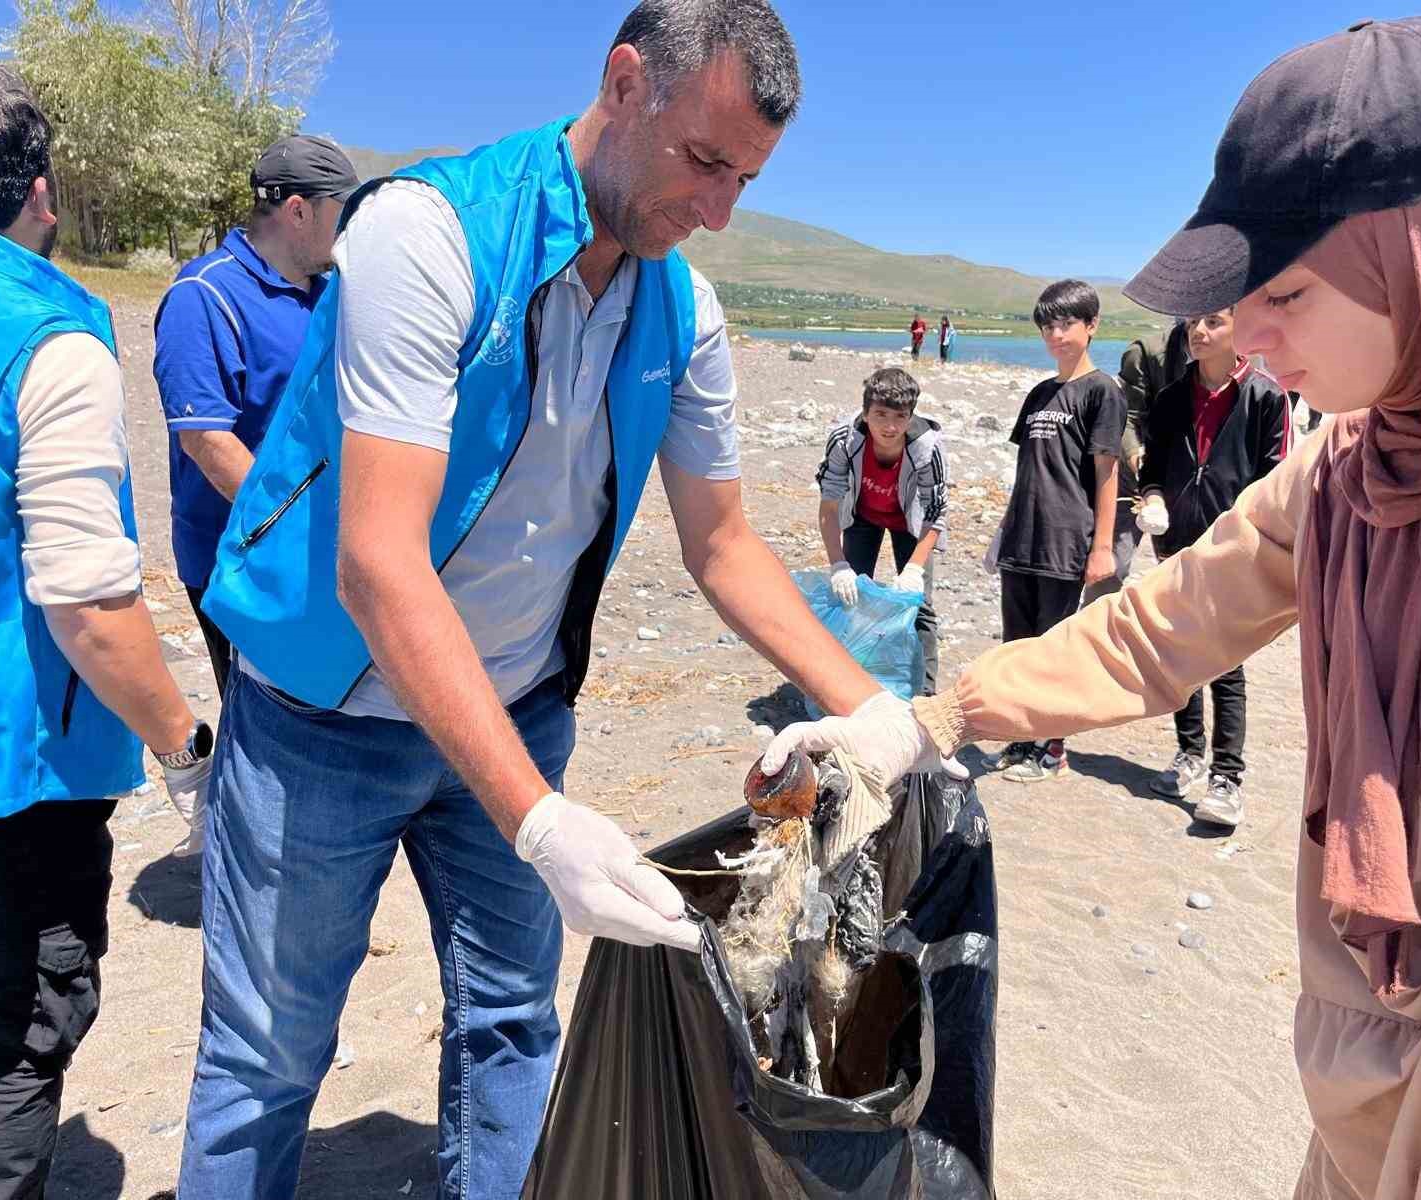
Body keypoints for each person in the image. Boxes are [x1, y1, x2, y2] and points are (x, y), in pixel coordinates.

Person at [766, 18, 1421, 1197]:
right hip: (1369, 1090)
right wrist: (926, 719)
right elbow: (1156, 625)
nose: (1251, 337)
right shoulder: (1340, 481)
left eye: (1280, 291)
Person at [174, 5, 928, 1197]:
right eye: (705, 162)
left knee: (513, 1025)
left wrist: (870, 705)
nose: (721, 210)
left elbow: (722, 541)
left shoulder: (685, 312)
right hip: (321, 722)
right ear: (623, 84)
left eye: (748, 178)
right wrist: (541, 823)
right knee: (267, 1053)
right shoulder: (429, 236)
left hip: (516, 705)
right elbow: (378, 559)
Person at [0, 65, 212, 1198]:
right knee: (17, 1033)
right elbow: (89, 603)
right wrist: (186, 743)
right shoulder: (50, 339)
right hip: (3, 772)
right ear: (41, 194)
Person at [153, 136, 358, 696]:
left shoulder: (328, 292)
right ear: (299, 211)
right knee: (260, 729)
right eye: (343, 213)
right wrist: (293, 528)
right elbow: (205, 440)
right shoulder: (204, 295)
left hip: (318, 554)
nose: (349, 232)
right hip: (240, 560)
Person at [1136, 306, 1290, 826]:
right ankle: (1188, 754)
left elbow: (1278, 482)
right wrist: (1153, 499)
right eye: (1192, 323)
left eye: (1213, 323)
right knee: (1179, 654)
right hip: (1176, 546)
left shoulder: (1267, 396)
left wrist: (1251, 543)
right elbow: (1152, 467)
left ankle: (1227, 776)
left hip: (1235, 553)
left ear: (1238, 329)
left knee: (1226, 662)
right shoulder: (1171, 399)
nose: (1197, 332)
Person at [980, 279, 1124, 782]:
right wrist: (1002, 529)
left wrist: (1101, 547)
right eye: (1048, 326)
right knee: (1016, 644)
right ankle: (1021, 740)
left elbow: (1107, 473)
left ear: (1092, 326)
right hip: (1023, 538)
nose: (1056, 335)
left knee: (1054, 648)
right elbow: (1029, 468)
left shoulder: (1102, 391)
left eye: (1067, 324)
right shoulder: (1041, 393)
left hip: (1066, 541)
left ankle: (1053, 748)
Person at [817, 366, 949, 693]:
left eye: (900, 417)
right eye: (880, 415)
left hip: (910, 521)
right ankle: (849, 684)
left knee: (920, 606)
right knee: (850, 598)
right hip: (862, 515)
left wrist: (915, 568)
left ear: (911, 417)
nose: (890, 427)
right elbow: (829, 507)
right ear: (865, 413)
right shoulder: (844, 440)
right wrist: (838, 565)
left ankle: (925, 695)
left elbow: (936, 510)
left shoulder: (927, 446)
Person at [1081, 318, 1192, 605]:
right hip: (1135, 473)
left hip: (1192, 480)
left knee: (1188, 574)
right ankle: (1092, 635)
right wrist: (1135, 456)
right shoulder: (1145, 352)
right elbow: (1127, 415)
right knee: (1110, 564)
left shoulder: (1238, 349)